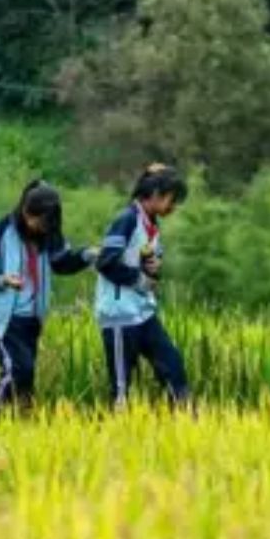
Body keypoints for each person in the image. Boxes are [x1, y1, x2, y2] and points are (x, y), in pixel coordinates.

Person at [0, 180, 98, 416]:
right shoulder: (0, 231)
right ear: (25, 210)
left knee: (26, 376)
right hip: (3, 316)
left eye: (43, 223)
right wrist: (3, 280)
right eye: (34, 219)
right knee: (15, 370)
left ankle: (22, 424)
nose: (37, 226)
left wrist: (87, 255)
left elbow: (61, 263)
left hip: (32, 317)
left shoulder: (49, 233)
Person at [96, 163, 192, 409]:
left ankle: (188, 426)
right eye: (173, 200)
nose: (174, 207)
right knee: (121, 388)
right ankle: (115, 439)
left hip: (143, 313)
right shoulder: (126, 220)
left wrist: (152, 270)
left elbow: (148, 268)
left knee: (173, 367)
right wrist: (140, 280)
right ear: (157, 194)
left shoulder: (151, 224)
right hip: (120, 316)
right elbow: (106, 262)